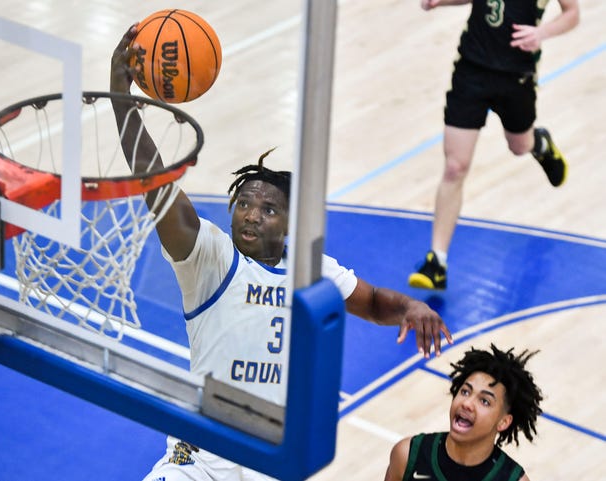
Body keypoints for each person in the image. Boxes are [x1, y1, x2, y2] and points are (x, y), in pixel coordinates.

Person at [110, 25, 453, 481]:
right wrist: (121, 99)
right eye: (244, 204)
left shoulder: (312, 270)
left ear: (290, 222)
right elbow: (157, 185)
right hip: (202, 458)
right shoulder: (210, 259)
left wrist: (411, 306)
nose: (251, 215)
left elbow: (370, 303)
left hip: (271, 460)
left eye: (268, 208)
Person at [408, 0, 580, 290]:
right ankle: (436, 261)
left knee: (519, 145)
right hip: (472, 70)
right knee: (454, 166)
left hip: (515, 76)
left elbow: (572, 14)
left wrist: (542, 33)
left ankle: (539, 144)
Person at [383, 344, 543, 481]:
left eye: (484, 401)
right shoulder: (408, 455)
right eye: (465, 391)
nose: (467, 403)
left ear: (504, 422)